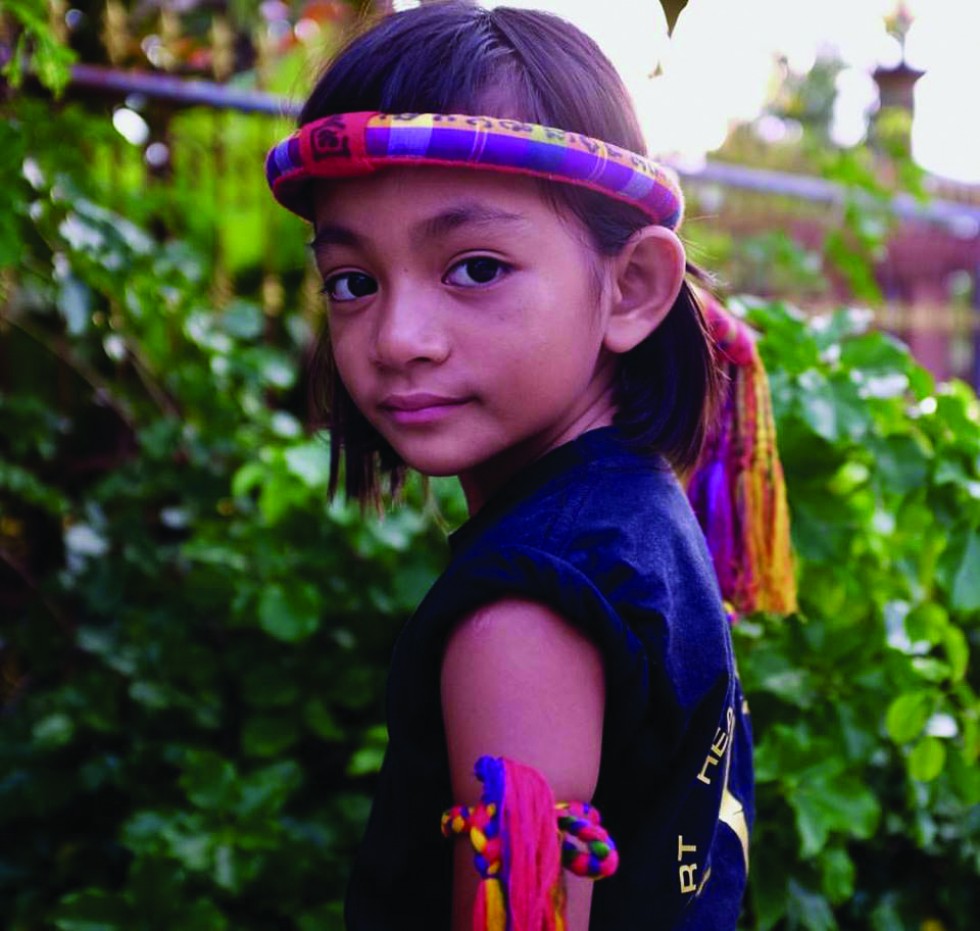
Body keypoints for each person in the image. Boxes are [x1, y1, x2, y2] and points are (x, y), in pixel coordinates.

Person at [264, 2, 763, 928]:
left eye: (476, 268)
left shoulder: (525, 613)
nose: (397, 338)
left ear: (633, 287)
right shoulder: (634, 509)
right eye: (352, 282)